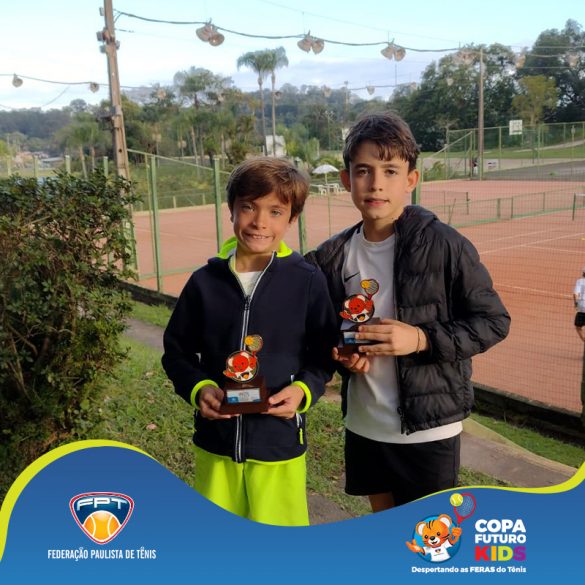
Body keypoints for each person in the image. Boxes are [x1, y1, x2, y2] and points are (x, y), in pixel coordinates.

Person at [306, 112, 510, 512]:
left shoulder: (446, 245)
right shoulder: (332, 255)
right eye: (363, 170)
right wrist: (343, 356)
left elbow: (493, 322)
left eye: (390, 171)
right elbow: (328, 330)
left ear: (411, 180)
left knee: (429, 540)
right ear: (346, 180)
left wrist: (420, 338)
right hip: (364, 425)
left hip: (428, 431)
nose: (376, 183)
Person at [161, 157, 337, 526]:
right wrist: (199, 389)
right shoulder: (204, 282)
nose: (260, 222)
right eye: (249, 207)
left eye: (275, 211)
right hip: (216, 445)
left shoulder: (307, 281)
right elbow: (176, 352)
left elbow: (323, 355)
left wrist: (303, 391)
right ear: (231, 210)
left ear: (292, 218)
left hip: (279, 446)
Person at [573, 267, 585, 342]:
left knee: (578, 326)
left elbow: (576, 294)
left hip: (583, 309)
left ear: (583, 273)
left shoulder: (580, 281)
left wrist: (576, 305)